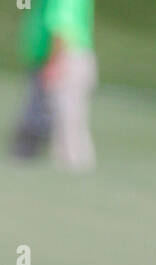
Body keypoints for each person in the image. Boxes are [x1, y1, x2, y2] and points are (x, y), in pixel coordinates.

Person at [10, 0, 97, 171]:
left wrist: (53, 62)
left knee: (66, 124)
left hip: (65, 58)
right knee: (70, 122)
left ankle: (74, 169)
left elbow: (61, 26)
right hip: (72, 56)